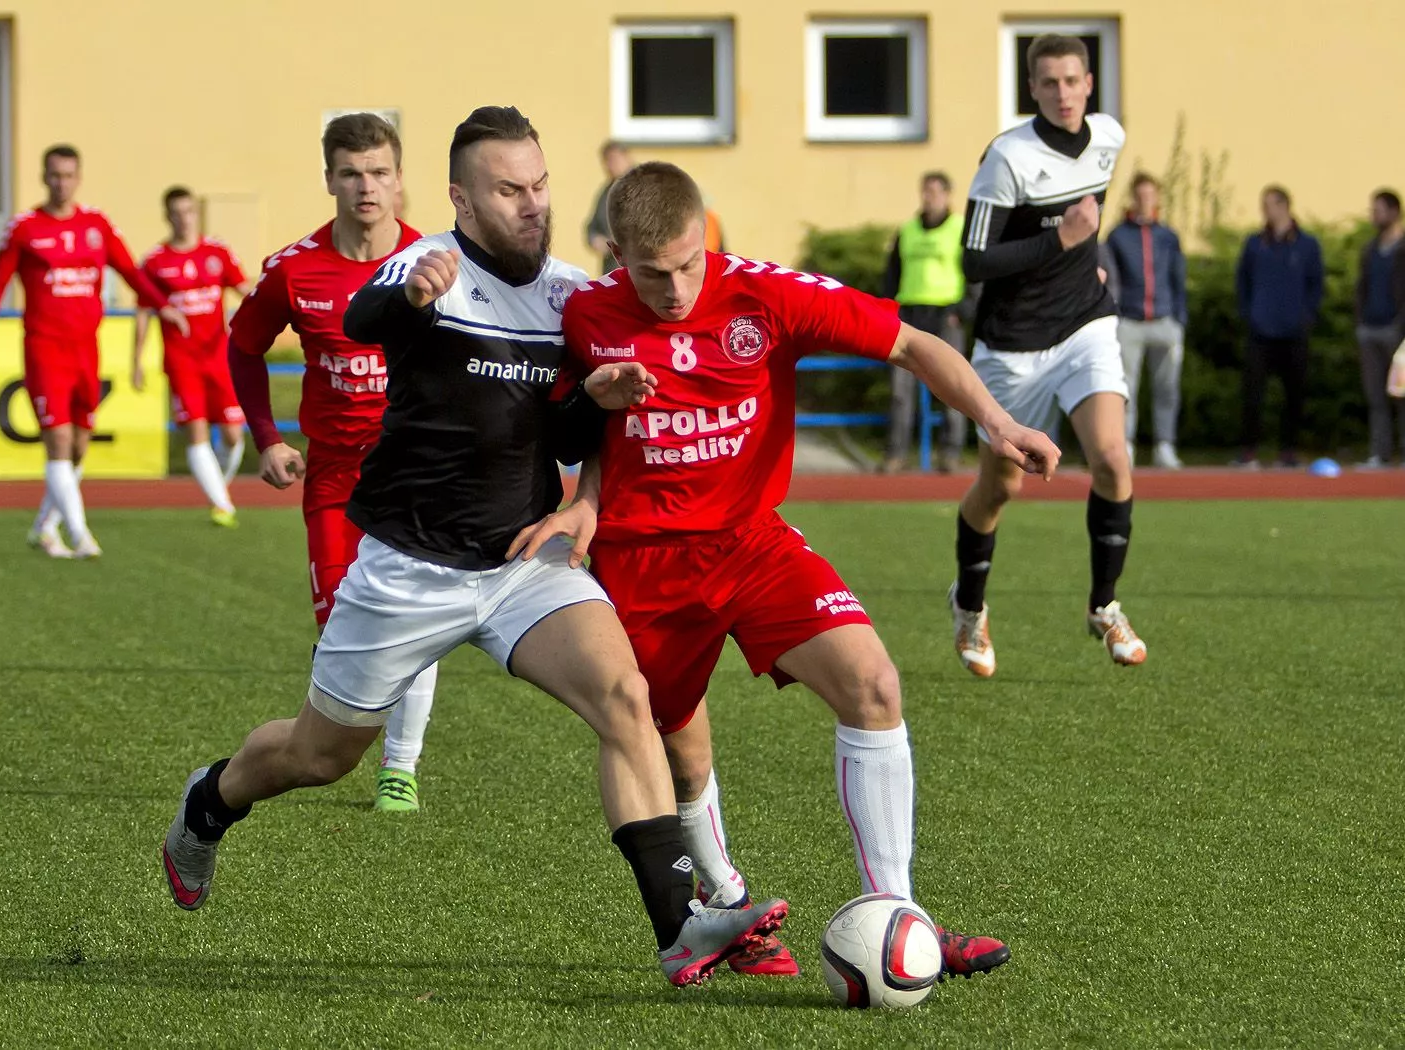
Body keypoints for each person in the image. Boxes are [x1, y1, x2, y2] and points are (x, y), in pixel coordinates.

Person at [162, 106, 786, 988]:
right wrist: (408, 298)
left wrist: (596, 399)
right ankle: (207, 804)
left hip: (524, 562)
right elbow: (368, 316)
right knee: (318, 756)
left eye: (539, 186)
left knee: (625, 698)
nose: (533, 205)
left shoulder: (571, 295)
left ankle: (678, 926)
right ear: (461, 199)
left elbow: (566, 433)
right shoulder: (425, 268)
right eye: (508, 191)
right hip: (409, 569)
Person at [516, 161, 1045, 978]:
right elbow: (573, 427)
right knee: (679, 754)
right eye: (652, 273)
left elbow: (911, 343)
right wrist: (585, 493)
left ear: (705, 236)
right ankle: (727, 905)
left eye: (688, 263)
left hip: (751, 542)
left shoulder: (765, 295)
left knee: (873, 684)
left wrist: (995, 421)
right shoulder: (584, 314)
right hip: (643, 564)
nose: (674, 289)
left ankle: (898, 916)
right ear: (616, 254)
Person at [225, 114, 436, 813]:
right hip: (335, 480)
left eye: (378, 172)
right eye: (351, 173)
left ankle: (400, 766)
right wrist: (267, 437)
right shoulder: (294, 269)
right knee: (343, 629)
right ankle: (338, 743)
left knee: (415, 619)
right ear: (329, 180)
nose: (365, 187)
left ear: (398, 179)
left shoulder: (438, 262)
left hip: (418, 475)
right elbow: (243, 347)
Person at [952, 33, 1145, 677]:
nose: (1063, 93)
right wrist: (1061, 241)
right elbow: (973, 260)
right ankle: (969, 605)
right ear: (1032, 88)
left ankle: (1104, 606)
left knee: (1112, 458)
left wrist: (1087, 262)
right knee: (1000, 488)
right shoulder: (1007, 157)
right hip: (1011, 347)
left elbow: (1091, 217)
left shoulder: (1109, 137)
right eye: (1050, 83)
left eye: (1073, 81)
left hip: (1084, 325)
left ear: (1090, 83)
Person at [0, 144, 187, 559]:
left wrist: (164, 306)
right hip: (45, 348)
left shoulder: (96, 225)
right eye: (55, 175)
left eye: (68, 175)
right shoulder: (25, 228)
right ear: (43, 177)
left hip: (87, 349)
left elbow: (129, 270)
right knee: (59, 439)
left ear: (79, 178)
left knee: (79, 445)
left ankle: (44, 528)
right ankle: (80, 534)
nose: (62, 183)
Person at [133, 186, 253, 525]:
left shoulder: (216, 252)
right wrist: (136, 360)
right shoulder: (155, 262)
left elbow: (244, 289)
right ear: (167, 216)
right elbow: (143, 311)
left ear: (196, 214)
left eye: (189, 212)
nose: (184, 219)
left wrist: (272, 307)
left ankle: (218, 492)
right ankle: (223, 506)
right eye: (177, 213)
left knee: (233, 434)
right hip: (181, 360)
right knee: (196, 431)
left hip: (219, 356)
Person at [880, 171, 974, 474]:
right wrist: (888, 308)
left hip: (946, 315)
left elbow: (975, 273)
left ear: (947, 195)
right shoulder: (907, 231)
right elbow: (892, 274)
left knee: (952, 385)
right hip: (909, 314)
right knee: (900, 390)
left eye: (935, 191)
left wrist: (963, 310)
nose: (929, 197)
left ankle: (950, 454)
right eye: (925, 191)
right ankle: (896, 454)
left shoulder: (960, 229)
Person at [1234, 186, 1324, 469]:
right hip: (1260, 331)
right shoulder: (1255, 244)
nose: (1265, 211)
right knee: (1253, 393)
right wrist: (1248, 313)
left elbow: (1316, 284)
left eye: (1269, 205)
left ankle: (1288, 451)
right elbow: (1242, 281)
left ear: (1284, 206)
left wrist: (1306, 316)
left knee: (1294, 394)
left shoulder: (1307, 245)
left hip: (1294, 332)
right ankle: (1249, 451)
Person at [1105, 172, 1187, 470]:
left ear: (1157, 198)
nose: (1145, 201)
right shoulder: (1117, 236)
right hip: (1130, 322)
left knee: (1167, 388)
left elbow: (1178, 278)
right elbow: (1111, 280)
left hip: (1165, 321)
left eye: (1150, 195)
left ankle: (1165, 445)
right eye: (1140, 195)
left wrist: (1179, 319)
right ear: (1133, 197)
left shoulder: (1168, 236)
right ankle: (1125, 445)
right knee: (1126, 388)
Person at [1354, 189, 1405, 468]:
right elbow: (1361, 288)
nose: (1373, 215)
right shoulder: (1369, 250)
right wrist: (1360, 322)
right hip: (1370, 330)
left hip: (1398, 332)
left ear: (1394, 212)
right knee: (1375, 397)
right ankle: (1379, 453)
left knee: (1402, 393)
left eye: (1378, 210)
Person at [585, 140, 632, 274]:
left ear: (626, 157)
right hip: (611, 268)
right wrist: (594, 239)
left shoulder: (643, 186)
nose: (609, 166)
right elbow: (592, 226)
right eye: (606, 161)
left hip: (636, 269)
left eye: (613, 160)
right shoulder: (606, 192)